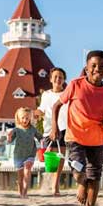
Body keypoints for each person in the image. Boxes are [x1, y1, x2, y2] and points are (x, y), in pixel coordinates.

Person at [50, 50, 103, 206]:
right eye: (93, 66)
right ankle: (81, 183)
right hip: (75, 138)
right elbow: (56, 106)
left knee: (94, 178)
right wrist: (54, 127)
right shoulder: (75, 84)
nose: (97, 69)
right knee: (79, 171)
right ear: (86, 69)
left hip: (96, 140)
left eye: (102, 67)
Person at [34, 67, 68, 196]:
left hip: (64, 128)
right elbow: (41, 109)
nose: (58, 79)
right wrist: (35, 113)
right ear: (50, 79)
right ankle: (47, 183)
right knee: (50, 158)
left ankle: (55, 185)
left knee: (61, 157)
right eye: (55, 77)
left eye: (60, 77)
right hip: (49, 129)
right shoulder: (46, 95)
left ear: (64, 80)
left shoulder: (66, 94)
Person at [7, 107, 43, 198]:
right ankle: (20, 192)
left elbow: (40, 137)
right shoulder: (16, 130)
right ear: (19, 118)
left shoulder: (33, 129)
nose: (25, 120)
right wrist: (9, 136)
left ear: (30, 118)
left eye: (27, 118)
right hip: (18, 155)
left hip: (30, 154)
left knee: (27, 172)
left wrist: (42, 142)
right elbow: (10, 142)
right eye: (23, 118)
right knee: (20, 177)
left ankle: (25, 193)